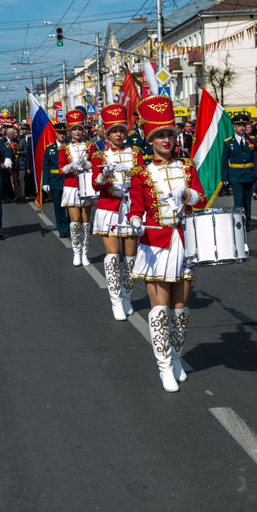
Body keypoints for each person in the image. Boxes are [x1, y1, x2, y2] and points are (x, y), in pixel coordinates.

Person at [126, 94, 206, 392]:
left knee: (181, 308)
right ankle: (163, 367)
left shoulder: (187, 167)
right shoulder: (141, 173)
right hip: (155, 243)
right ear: (151, 139)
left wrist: (187, 195)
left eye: (170, 135)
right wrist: (135, 221)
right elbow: (135, 207)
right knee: (159, 308)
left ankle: (176, 358)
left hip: (183, 241)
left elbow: (201, 199)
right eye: (160, 135)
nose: (166, 140)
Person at [89, 104, 143, 321]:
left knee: (130, 257)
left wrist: (130, 172)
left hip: (131, 208)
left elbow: (142, 181)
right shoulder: (100, 154)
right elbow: (95, 185)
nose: (119, 135)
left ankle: (127, 296)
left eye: (121, 130)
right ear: (107, 134)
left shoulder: (136, 152)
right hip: (109, 208)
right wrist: (104, 174)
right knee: (112, 257)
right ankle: (115, 301)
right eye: (114, 131)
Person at [59, 109, 95, 265]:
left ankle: (85, 253)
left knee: (86, 221)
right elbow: (61, 169)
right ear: (70, 131)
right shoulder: (64, 148)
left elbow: (96, 164)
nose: (78, 131)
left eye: (80, 128)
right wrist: (72, 166)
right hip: (72, 186)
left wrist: (86, 164)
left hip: (87, 184)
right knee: (75, 221)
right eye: (74, 129)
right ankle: (76, 253)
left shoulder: (91, 146)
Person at [222, 112, 257, 230]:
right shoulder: (229, 142)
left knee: (247, 201)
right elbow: (224, 161)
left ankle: (247, 223)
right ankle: (239, 224)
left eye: (243, 125)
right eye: (239, 125)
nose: (242, 127)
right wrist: (224, 177)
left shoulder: (252, 139)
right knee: (238, 201)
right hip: (236, 175)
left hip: (248, 175)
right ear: (235, 127)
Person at [41, 125, 70, 239]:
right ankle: (62, 229)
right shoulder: (50, 148)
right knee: (59, 206)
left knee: (71, 206)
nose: (62, 135)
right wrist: (45, 182)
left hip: (69, 180)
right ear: (56, 134)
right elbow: (46, 166)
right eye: (60, 133)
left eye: (64, 133)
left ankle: (70, 225)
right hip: (56, 180)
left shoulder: (70, 146)